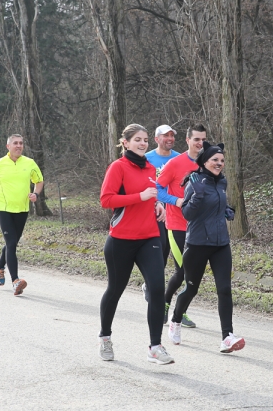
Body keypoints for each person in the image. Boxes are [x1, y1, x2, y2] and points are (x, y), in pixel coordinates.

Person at [99, 124, 174, 365]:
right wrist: (138, 198)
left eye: (144, 140)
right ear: (126, 142)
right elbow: (107, 200)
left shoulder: (151, 168)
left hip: (149, 237)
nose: (142, 143)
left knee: (156, 289)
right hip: (121, 240)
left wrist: (157, 204)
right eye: (137, 140)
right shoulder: (117, 167)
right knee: (115, 289)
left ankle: (155, 346)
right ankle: (105, 338)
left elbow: (152, 193)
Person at [167, 141, 245, 354]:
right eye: (214, 160)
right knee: (191, 288)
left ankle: (227, 337)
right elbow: (188, 215)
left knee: (225, 290)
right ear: (204, 161)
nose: (219, 163)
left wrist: (226, 211)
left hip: (221, 244)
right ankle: (175, 320)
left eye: (221, 160)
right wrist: (198, 195)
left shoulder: (222, 183)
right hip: (198, 244)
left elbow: (216, 206)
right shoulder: (194, 182)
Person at [155, 124, 207, 326]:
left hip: (199, 227)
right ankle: (164, 306)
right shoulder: (175, 163)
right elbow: (156, 188)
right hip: (176, 225)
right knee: (182, 271)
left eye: (203, 139)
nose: (200, 143)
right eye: (196, 139)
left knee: (194, 275)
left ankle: (180, 310)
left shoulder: (208, 163)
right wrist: (175, 201)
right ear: (188, 140)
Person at [0, 134, 43, 296]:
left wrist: (35, 194)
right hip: (3, 208)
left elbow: (39, 180)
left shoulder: (29, 163)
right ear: (8, 146)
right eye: (15, 143)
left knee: (13, 243)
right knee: (10, 243)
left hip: (22, 209)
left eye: (21, 143)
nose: (18, 146)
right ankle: (15, 281)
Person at [141, 124, 179, 305]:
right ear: (156, 139)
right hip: (152, 213)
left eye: (172, 135)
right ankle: (152, 288)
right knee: (158, 254)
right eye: (166, 136)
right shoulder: (146, 159)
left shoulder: (180, 159)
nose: (169, 138)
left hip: (175, 215)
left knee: (171, 254)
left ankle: (159, 292)